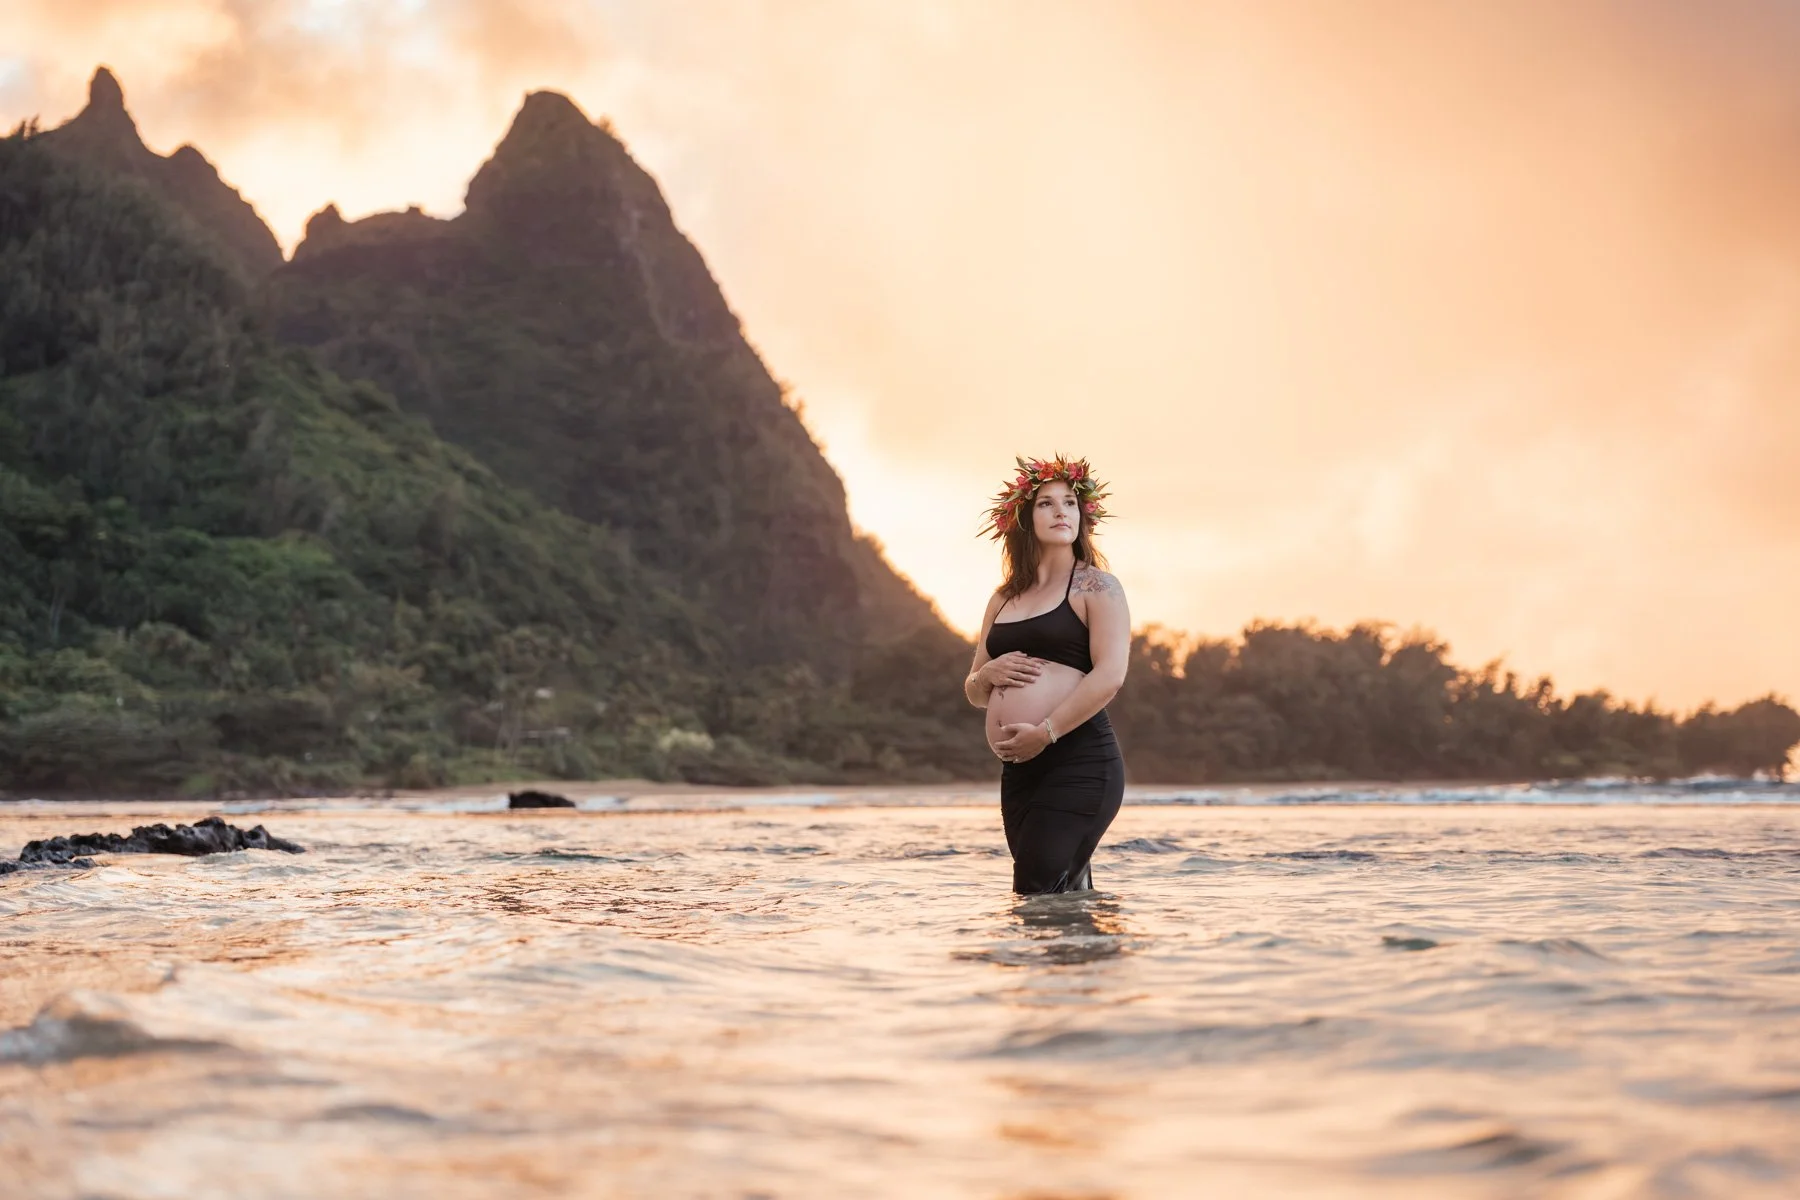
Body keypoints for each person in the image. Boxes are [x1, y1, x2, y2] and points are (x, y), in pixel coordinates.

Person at [964, 456, 1130, 893]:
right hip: (1020, 770)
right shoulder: (1003, 597)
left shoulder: (1096, 587)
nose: (1061, 511)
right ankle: (1090, 958)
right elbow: (974, 689)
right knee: (1060, 893)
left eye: (1070, 502)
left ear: (1082, 515)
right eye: (1046, 503)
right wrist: (986, 676)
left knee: (1035, 890)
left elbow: (1110, 675)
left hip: (1079, 761)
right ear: (1023, 518)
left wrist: (1047, 732)